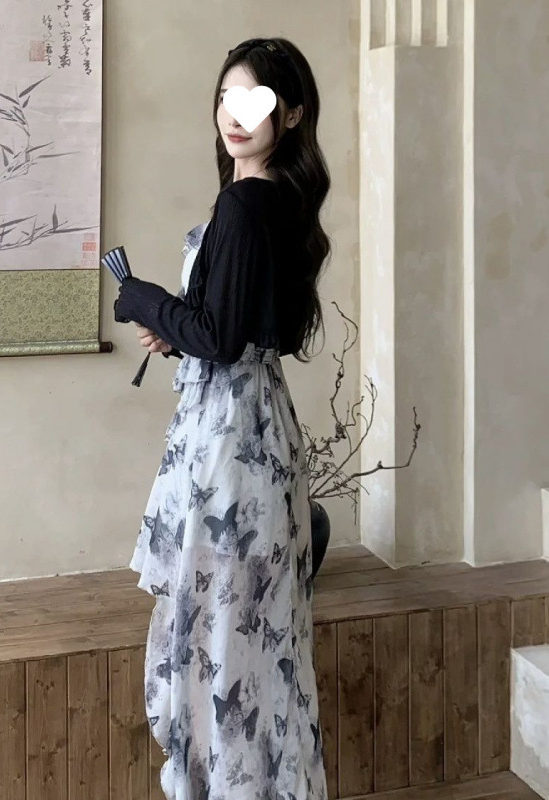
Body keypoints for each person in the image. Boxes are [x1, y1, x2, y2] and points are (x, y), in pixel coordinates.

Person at [113, 36, 331, 800]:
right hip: (261, 431)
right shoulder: (280, 203)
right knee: (259, 654)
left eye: (257, 100)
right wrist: (178, 329)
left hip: (229, 447)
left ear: (291, 114)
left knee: (219, 651)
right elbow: (247, 330)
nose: (236, 115)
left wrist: (144, 300)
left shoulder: (244, 203)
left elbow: (220, 337)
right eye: (226, 98)